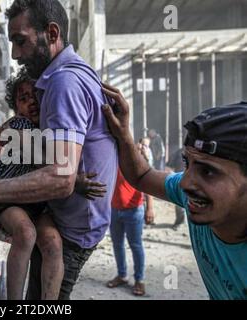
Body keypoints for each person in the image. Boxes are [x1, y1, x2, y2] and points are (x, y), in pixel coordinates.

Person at [0, 0, 118, 300]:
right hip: (62, 216)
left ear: (51, 33)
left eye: (20, 41)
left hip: (71, 227)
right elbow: (22, 153)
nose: (14, 54)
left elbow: (59, 176)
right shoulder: (73, 76)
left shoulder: (63, 82)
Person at [101, 83, 247, 300]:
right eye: (187, 164)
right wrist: (123, 134)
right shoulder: (196, 198)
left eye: (208, 171)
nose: (186, 183)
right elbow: (142, 176)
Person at [0, 68, 106, 300]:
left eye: (35, 96)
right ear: (15, 107)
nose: (31, 102)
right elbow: (35, 152)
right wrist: (74, 179)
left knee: (53, 243)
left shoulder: (51, 126)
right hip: (7, 197)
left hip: (36, 202)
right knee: (26, 233)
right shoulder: (17, 125)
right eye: (23, 99)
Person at [107, 145, 154, 296]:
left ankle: (139, 280)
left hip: (134, 210)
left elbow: (148, 185)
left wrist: (150, 208)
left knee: (135, 245)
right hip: (114, 210)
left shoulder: (138, 164)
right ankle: (122, 275)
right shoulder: (113, 160)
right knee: (117, 244)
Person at [166, 147, 186, 230]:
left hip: (195, 181)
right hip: (180, 179)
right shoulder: (179, 152)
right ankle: (180, 222)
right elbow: (169, 165)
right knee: (179, 203)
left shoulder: (200, 152)